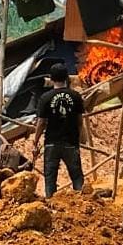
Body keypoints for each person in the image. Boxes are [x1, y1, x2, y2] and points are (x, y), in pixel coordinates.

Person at [32, 63, 84, 198]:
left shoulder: (45, 98)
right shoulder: (76, 96)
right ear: (67, 78)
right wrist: (80, 138)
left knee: (50, 179)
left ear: (51, 78)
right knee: (77, 177)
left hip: (51, 143)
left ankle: (51, 206)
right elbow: (79, 121)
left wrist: (35, 140)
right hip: (71, 142)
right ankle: (84, 205)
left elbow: (41, 122)